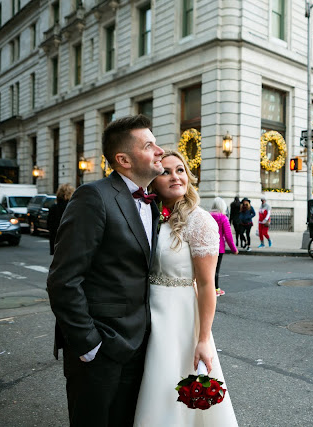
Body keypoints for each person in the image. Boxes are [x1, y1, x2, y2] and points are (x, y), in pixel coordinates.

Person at [47, 114, 165, 426]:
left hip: (139, 344)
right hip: (100, 349)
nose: (160, 150)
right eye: (149, 145)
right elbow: (63, 279)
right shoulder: (93, 196)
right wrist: (88, 344)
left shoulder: (151, 205)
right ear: (123, 159)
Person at [134, 151, 238, 426]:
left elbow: (206, 285)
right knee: (150, 385)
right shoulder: (150, 215)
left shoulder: (200, 220)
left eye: (180, 170)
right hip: (147, 313)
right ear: (153, 181)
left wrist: (203, 339)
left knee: (172, 385)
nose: (175, 176)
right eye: (166, 172)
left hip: (179, 316)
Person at [210, 197, 238, 296]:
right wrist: (233, 249)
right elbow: (228, 235)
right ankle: (216, 289)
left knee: (208, 269)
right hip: (219, 247)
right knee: (216, 270)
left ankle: (207, 289)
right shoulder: (223, 217)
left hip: (207, 246)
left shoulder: (207, 216)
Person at [47, 183, 74, 255]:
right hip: (71, 244)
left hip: (57, 243)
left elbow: (49, 225)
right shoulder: (74, 208)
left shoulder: (54, 208)